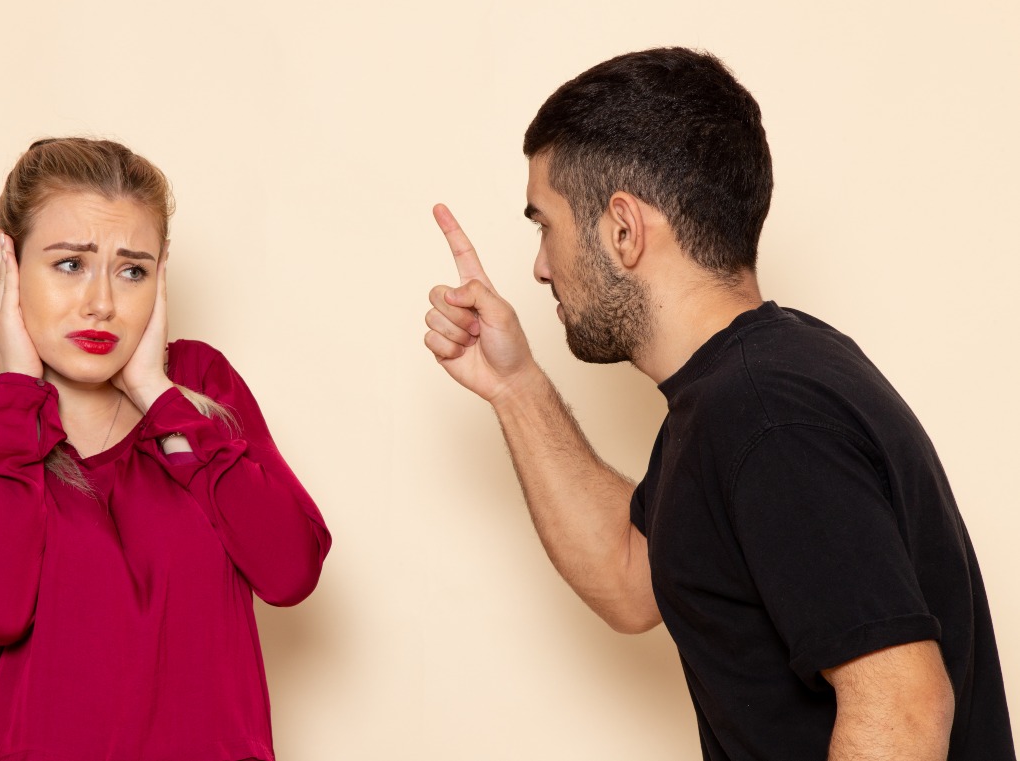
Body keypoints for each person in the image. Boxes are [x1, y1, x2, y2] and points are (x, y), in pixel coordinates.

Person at [423, 48, 1013, 760]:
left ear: (623, 228)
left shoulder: (765, 413)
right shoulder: (738, 390)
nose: (541, 266)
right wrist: (514, 387)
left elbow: (905, 705)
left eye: (545, 224)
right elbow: (629, 574)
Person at [0, 137, 330, 761]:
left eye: (131, 269)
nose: (102, 303)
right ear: (8, 265)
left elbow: (289, 570)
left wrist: (154, 392)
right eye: (69, 264)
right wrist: (19, 393)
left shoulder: (201, 386)